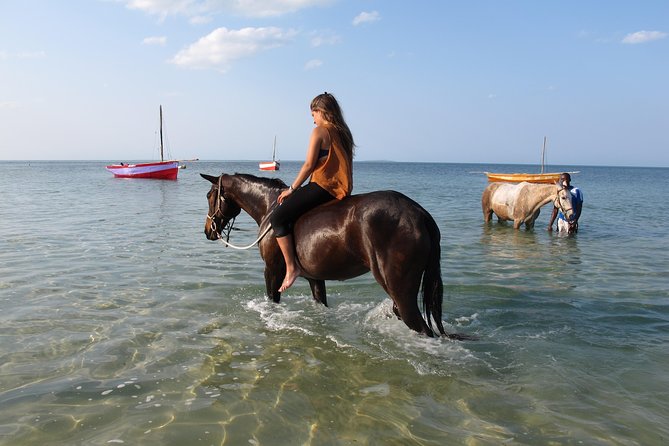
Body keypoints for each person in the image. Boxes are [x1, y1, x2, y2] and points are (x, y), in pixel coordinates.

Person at [269, 92, 355, 292]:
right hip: (342, 188)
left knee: (278, 218)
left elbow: (308, 166)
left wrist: (291, 189)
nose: (313, 119)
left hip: (323, 187)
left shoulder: (319, 132)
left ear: (321, 111)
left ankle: (291, 268)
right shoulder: (343, 133)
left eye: (313, 114)